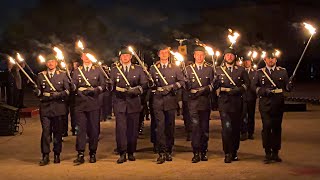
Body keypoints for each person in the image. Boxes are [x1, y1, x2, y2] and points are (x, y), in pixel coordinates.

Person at [252, 49, 293, 164]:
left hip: (278, 103)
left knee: (276, 127)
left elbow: (287, 88)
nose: (271, 60)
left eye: (273, 58)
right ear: (265, 60)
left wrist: (290, 85)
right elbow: (253, 86)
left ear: (276, 59)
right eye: (269, 58)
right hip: (265, 104)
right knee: (267, 126)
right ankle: (267, 152)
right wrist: (263, 91)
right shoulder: (259, 72)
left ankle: (275, 152)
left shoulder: (282, 71)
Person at [110, 47, 148, 163]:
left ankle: (131, 151)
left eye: (127, 55)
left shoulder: (138, 69)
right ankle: (122, 152)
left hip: (133, 102)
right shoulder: (115, 69)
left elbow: (144, 84)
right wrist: (111, 87)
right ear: (120, 57)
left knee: (132, 129)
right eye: (123, 56)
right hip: (120, 102)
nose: (125, 57)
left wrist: (137, 90)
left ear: (131, 57)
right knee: (121, 129)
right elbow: (110, 85)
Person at [149, 45, 185, 164]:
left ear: (169, 54)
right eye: (162, 52)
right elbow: (150, 84)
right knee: (160, 127)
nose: (164, 54)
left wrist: (171, 87)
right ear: (159, 54)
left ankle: (169, 150)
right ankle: (161, 152)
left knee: (170, 127)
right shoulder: (153, 68)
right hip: (158, 100)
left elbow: (182, 81)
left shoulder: (175, 68)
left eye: (166, 52)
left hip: (170, 100)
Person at [32, 54, 70, 166]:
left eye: (52, 61)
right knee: (46, 132)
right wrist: (37, 92)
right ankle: (45, 155)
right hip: (45, 107)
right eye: (48, 62)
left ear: (56, 63)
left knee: (58, 133)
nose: (50, 63)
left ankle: (57, 154)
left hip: (58, 107)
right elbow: (39, 91)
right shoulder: (41, 76)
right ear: (46, 63)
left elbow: (67, 91)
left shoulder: (62, 75)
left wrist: (58, 94)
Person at [213, 48, 250, 163]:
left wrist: (237, 90)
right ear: (224, 57)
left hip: (237, 102)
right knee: (226, 128)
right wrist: (215, 85)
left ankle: (234, 151)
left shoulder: (241, 70)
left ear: (234, 57)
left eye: (231, 55)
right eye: (227, 55)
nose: (229, 57)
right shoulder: (218, 70)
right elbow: (214, 86)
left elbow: (247, 84)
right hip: (224, 103)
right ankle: (227, 152)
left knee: (235, 128)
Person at [72, 49, 106, 165]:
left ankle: (92, 152)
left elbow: (103, 85)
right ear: (81, 57)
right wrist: (76, 89)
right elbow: (74, 86)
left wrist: (95, 90)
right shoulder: (77, 71)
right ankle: (80, 153)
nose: (86, 57)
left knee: (93, 129)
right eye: (84, 55)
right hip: (81, 103)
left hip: (93, 103)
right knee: (81, 129)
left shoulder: (98, 70)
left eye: (88, 55)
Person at [185, 46, 215, 163]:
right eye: (197, 54)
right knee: (195, 128)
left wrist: (205, 89)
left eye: (202, 55)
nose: (200, 57)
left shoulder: (209, 69)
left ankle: (204, 151)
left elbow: (213, 85)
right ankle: (196, 152)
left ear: (204, 56)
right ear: (194, 56)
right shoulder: (187, 69)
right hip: (193, 103)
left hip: (204, 102)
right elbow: (185, 86)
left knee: (204, 128)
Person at [240, 58, 257, 141]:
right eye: (245, 61)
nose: (247, 62)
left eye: (248, 61)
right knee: (242, 115)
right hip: (242, 96)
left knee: (251, 115)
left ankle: (250, 132)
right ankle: (243, 132)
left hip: (251, 97)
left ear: (251, 62)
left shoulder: (255, 72)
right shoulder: (240, 71)